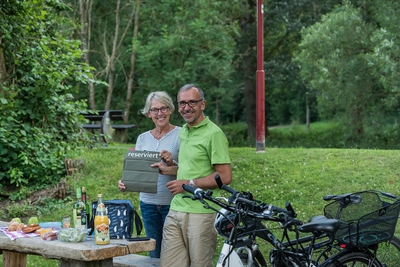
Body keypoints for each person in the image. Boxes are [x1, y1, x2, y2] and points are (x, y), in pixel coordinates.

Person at [160, 84, 232, 267]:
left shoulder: (214, 134)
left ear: (203, 104)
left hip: (202, 212)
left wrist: (188, 183)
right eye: (182, 103)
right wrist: (170, 168)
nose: (186, 107)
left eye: (192, 102)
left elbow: (224, 177)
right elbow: (190, 167)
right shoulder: (184, 131)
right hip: (176, 209)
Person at [118, 91, 180, 258]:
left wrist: (172, 163)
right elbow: (137, 171)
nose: (159, 113)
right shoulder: (142, 138)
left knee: (173, 252)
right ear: (148, 113)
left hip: (173, 204)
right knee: (154, 251)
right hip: (148, 204)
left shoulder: (181, 135)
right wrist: (126, 182)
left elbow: (190, 170)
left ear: (171, 109)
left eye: (163, 108)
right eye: (154, 110)